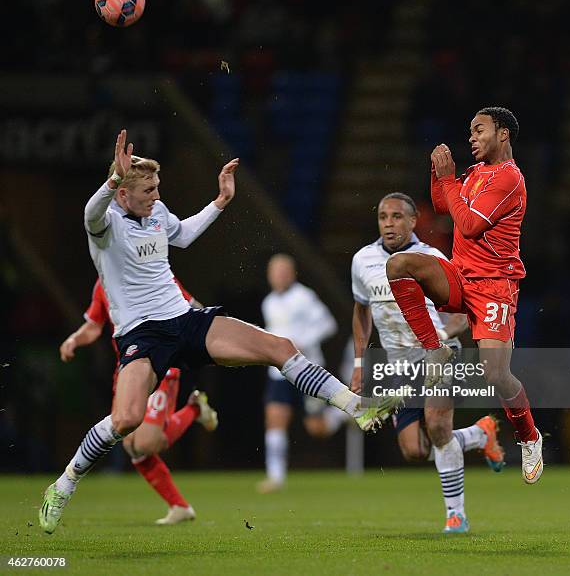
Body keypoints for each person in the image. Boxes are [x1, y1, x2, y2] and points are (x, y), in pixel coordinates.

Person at [39, 129, 398, 534]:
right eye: (148, 190)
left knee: (280, 346)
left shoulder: (156, 213)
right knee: (126, 421)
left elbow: (183, 235)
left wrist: (220, 202)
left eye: (158, 188)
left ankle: (356, 406)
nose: (156, 196)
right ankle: (64, 485)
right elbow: (89, 213)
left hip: (185, 319)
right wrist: (111, 180)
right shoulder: (105, 224)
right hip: (142, 335)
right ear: (123, 193)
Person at [385, 107, 543, 489]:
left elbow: (469, 225)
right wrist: (441, 175)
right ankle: (435, 348)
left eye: (479, 130)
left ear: (503, 133)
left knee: (495, 375)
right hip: (460, 275)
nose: (471, 137)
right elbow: (444, 205)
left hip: (494, 285)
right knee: (398, 265)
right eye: (470, 131)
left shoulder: (509, 178)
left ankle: (529, 436)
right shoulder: (476, 174)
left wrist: (448, 181)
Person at [351, 192, 504, 533]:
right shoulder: (362, 260)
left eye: (396, 217)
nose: (389, 223)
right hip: (397, 366)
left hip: (436, 357)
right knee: (415, 451)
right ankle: (479, 435)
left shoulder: (431, 259)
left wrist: (442, 337)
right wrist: (360, 361)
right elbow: (361, 311)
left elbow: (465, 310)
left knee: (437, 427)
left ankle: (456, 515)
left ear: (412, 221)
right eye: (382, 216)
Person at [59, 277, 218, 525]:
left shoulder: (151, 271)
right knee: (131, 444)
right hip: (128, 371)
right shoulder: (103, 284)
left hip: (160, 365)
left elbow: (191, 306)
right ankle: (179, 506)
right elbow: (93, 326)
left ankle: (195, 409)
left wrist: (217, 330)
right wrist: (73, 340)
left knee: (145, 443)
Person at [257, 254, 347, 493]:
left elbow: (329, 324)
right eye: (274, 272)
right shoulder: (268, 302)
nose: (279, 276)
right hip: (278, 373)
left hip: (307, 369)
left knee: (315, 428)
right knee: (274, 418)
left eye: (283, 271)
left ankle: (340, 416)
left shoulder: (304, 297)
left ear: (291, 274)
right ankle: (275, 477)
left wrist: (302, 342)